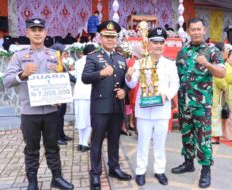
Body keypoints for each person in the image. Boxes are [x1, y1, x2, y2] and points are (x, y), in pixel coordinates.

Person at [3, 18, 74, 190]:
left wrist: (60, 95)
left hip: (51, 111)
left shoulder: (53, 55)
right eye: (33, 29)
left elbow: (62, 78)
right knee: (31, 149)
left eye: (40, 29)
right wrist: (23, 74)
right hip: (30, 112)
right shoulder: (19, 56)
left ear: (45, 33)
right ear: (27, 33)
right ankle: (32, 182)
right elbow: (7, 81)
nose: (37, 33)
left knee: (53, 146)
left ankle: (56, 178)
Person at [171, 18, 226, 189]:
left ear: (204, 30)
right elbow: (176, 77)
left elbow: (222, 73)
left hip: (201, 105)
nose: (195, 32)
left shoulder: (212, 51)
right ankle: (188, 162)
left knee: (202, 137)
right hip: (184, 103)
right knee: (186, 134)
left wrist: (208, 64)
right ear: (188, 31)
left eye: (198, 29)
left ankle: (205, 170)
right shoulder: (183, 51)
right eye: (192, 29)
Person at [125, 27, 179, 186]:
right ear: (148, 44)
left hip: (161, 109)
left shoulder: (170, 64)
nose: (158, 46)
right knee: (142, 142)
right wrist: (128, 75)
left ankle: (159, 170)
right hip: (144, 110)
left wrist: (167, 95)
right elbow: (132, 83)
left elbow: (175, 84)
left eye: (161, 42)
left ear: (164, 44)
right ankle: (140, 171)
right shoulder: (140, 63)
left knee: (160, 142)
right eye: (154, 42)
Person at [82, 20, 132, 190]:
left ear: (117, 38)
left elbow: (126, 81)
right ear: (100, 37)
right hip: (100, 107)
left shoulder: (120, 58)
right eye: (107, 36)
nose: (110, 39)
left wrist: (125, 91)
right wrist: (101, 73)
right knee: (96, 141)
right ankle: (95, 174)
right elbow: (85, 78)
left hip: (117, 107)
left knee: (114, 140)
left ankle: (114, 168)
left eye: (113, 37)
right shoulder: (93, 56)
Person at [50, 43, 75, 146]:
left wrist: (76, 80)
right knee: (57, 117)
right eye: (63, 51)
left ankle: (62, 134)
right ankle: (57, 137)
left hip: (62, 94)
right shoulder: (53, 63)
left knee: (61, 115)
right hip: (56, 95)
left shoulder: (60, 62)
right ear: (58, 52)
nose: (65, 53)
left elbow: (66, 75)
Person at [74, 44, 96, 152]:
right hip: (88, 93)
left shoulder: (77, 62)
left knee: (80, 119)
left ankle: (80, 142)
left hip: (78, 93)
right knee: (88, 119)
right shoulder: (92, 61)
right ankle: (84, 143)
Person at [211, 42, 229, 144]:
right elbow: (220, 80)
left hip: (216, 94)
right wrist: (226, 87)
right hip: (214, 95)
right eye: (225, 49)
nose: (227, 51)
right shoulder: (217, 63)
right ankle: (214, 137)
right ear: (220, 52)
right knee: (215, 115)